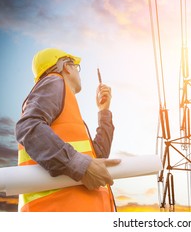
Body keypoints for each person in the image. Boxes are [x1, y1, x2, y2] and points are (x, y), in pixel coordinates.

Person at [15, 48, 121, 212]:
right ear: (67, 67)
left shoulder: (66, 106)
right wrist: (79, 164)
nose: (78, 74)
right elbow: (28, 126)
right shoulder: (54, 81)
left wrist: (104, 111)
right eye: (76, 68)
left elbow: (98, 156)